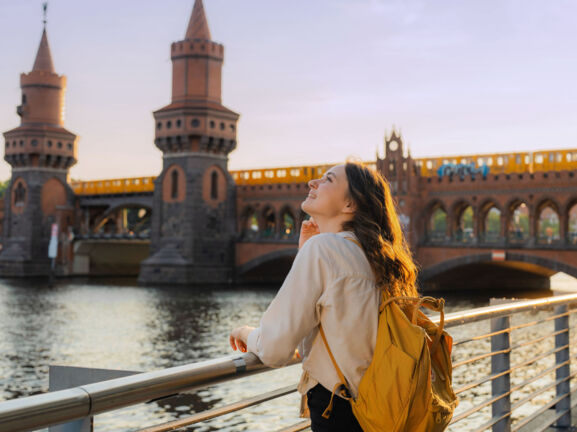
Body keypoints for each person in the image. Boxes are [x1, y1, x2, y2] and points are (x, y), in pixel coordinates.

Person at [229, 162, 419, 432]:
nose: (313, 183)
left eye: (328, 179)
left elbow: (275, 349)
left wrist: (246, 333)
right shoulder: (379, 257)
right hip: (386, 409)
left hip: (341, 412)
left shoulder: (323, 250)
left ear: (350, 205)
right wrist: (305, 253)